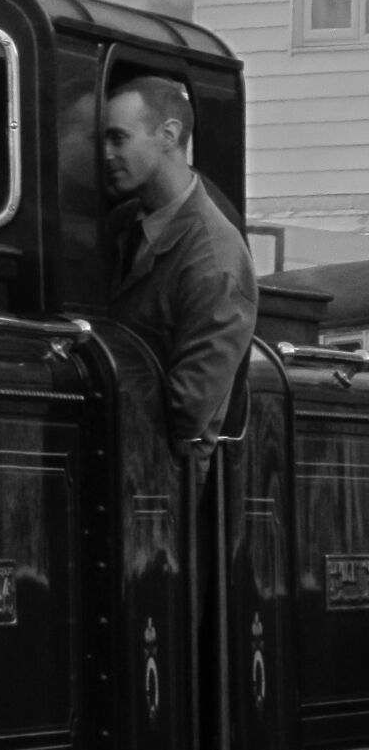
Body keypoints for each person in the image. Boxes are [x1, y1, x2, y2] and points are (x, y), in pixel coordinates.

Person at [102, 77, 257, 471]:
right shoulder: (122, 225)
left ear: (168, 135)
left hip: (166, 480)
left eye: (119, 138)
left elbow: (190, 413)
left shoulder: (215, 257)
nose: (106, 153)